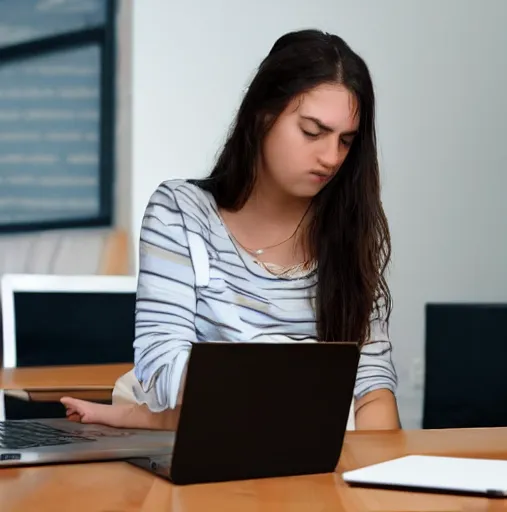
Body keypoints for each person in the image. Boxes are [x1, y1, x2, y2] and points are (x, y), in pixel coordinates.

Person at [62, 29, 400, 431]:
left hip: (314, 467)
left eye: (346, 141)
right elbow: (162, 365)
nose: (330, 158)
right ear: (262, 115)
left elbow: (373, 389)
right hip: (210, 465)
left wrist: (368, 474)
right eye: (312, 132)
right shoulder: (181, 213)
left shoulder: (349, 231)